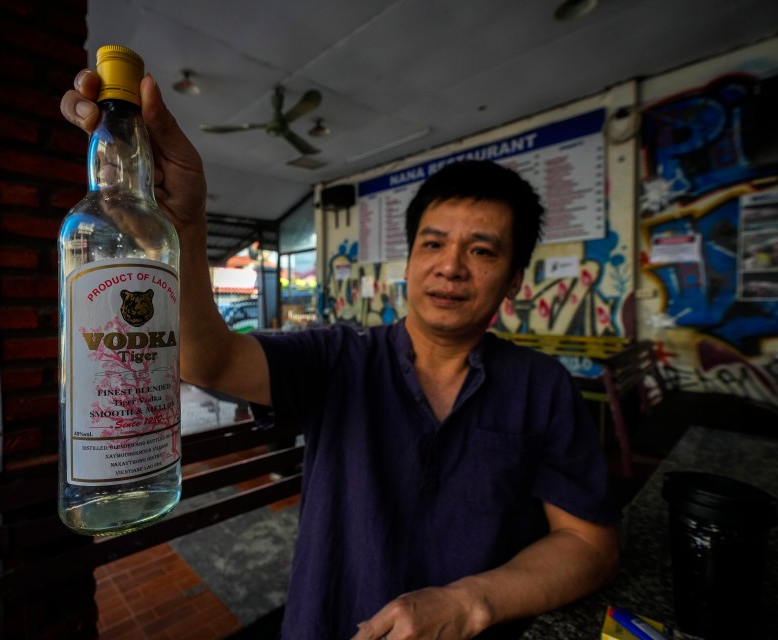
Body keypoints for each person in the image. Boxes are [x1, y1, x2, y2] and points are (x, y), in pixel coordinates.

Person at [61, 69, 620, 640]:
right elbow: (210, 362)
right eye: (433, 243)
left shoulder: (542, 387)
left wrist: (472, 602)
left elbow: (589, 544)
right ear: (410, 260)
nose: (450, 266)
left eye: (481, 250)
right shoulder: (339, 357)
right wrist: (187, 228)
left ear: (515, 281)